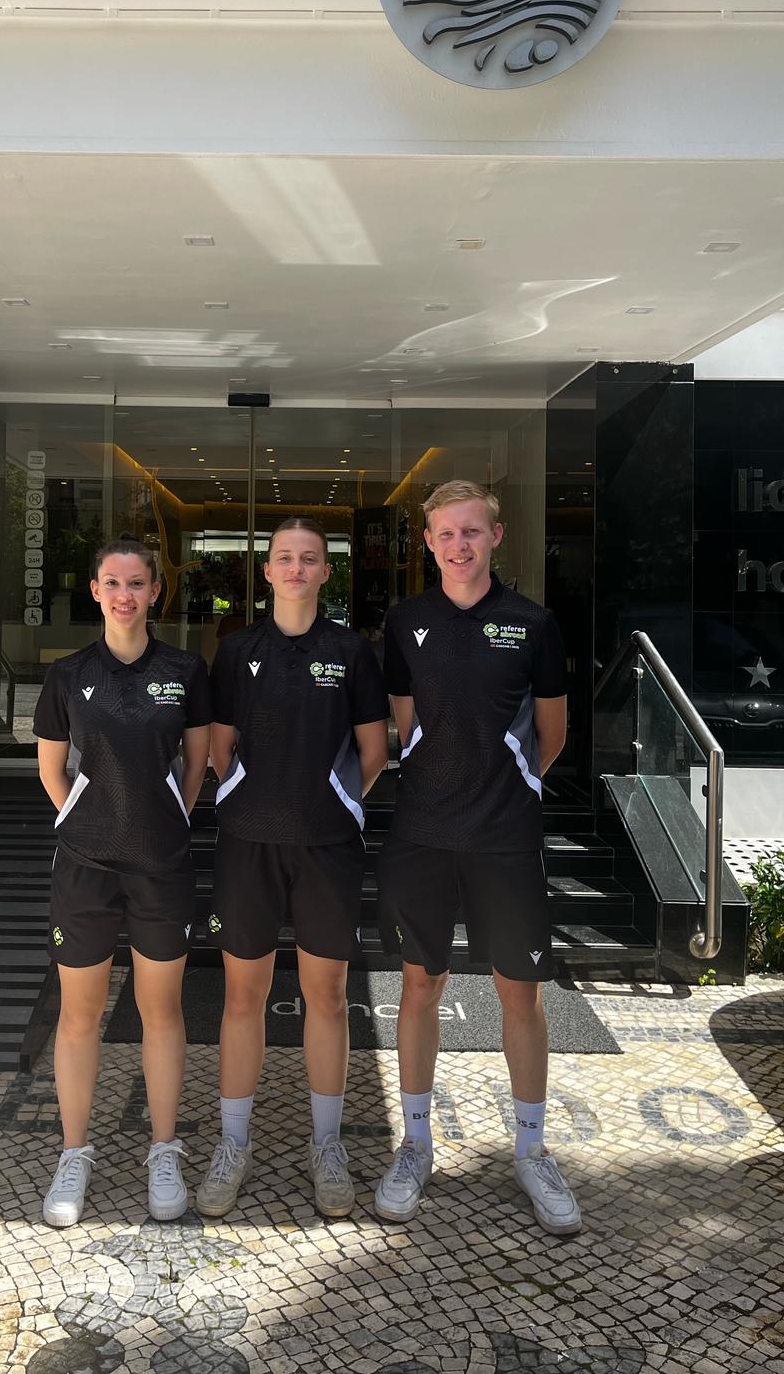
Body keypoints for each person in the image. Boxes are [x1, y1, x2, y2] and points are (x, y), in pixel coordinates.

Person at [373, 481, 580, 1234]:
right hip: (422, 834)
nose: (458, 545)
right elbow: (406, 728)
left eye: (471, 531)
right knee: (418, 985)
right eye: (445, 534)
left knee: (520, 993)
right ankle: (415, 1144)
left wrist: (505, 788)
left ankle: (531, 1151)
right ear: (428, 543)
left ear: (496, 535)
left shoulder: (533, 624)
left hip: (505, 839)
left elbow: (551, 735)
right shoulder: (406, 622)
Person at [194, 518, 389, 1220]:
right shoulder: (236, 649)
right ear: (268, 570)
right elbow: (219, 749)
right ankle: (233, 1144)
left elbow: (374, 751)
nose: (297, 568)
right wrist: (256, 800)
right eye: (285, 558)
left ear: (326, 572)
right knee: (241, 998)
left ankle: (327, 1145)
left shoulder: (351, 651)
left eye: (310, 558)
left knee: (327, 997)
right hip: (247, 845)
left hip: (327, 848)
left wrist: (331, 804)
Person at [33, 537, 211, 1227]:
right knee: (79, 1015)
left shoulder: (185, 670)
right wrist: (87, 824)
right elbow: (52, 771)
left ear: (156, 590)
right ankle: (74, 1153)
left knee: (160, 1011)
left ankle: (163, 1151)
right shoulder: (68, 674)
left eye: (137, 583)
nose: (125, 595)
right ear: (95, 590)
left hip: (162, 864)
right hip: (85, 865)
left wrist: (164, 822)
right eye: (112, 582)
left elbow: (195, 765)